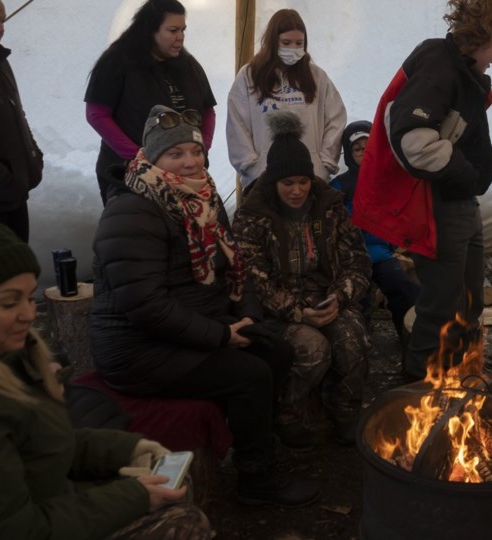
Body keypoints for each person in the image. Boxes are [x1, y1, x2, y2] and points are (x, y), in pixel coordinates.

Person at [90, 105, 319, 506]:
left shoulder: (202, 198)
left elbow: (235, 266)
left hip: (192, 323)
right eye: (176, 154)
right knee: (250, 375)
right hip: (136, 348)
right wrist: (221, 336)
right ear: (152, 157)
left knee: (276, 349)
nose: (190, 161)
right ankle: (255, 477)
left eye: (194, 152)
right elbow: (144, 304)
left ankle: (254, 438)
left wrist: (247, 316)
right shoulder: (132, 209)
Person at [0, 219, 211, 539]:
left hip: (55, 500)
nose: (29, 314)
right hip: (40, 522)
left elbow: (46, 447)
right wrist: (134, 497)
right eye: (10, 302)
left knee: (173, 482)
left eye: (29, 297)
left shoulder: (11, 360)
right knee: (182, 521)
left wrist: (131, 448)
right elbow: (16, 529)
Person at [352, 0, 492, 379]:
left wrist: (471, 181)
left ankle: (461, 374)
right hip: (440, 206)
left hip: (461, 203)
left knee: (469, 301)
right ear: (482, 38)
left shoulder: (460, 70)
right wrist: (465, 173)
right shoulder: (439, 65)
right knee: (441, 306)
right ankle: (417, 396)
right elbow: (414, 140)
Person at [234, 111, 371, 445]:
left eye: (303, 182)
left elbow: (357, 258)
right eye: (288, 183)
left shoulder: (329, 205)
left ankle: (345, 411)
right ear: (273, 182)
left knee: (354, 341)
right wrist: (298, 312)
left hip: (327, 297)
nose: (297, 191)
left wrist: (341, 296)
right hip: (279, 308)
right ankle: (287, 413)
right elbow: (253, 279)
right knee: (313, 349)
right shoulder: (254, 215)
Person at [85, 0, 216, 205]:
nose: (180, 37)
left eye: (183, 30)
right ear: (150, 31)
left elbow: (208, 110)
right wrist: (140, 157)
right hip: (129, 174)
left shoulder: (188, 64)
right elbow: (97, 114)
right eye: (173, 30)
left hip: (185, 174)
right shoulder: (118, 60)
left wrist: (201, 147)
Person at [227, 8, 346, 188]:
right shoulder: (249, 75)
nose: (293, 49)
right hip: (263, 178)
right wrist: (251, 166)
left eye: (299, 43)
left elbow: (335, 118)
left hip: (310, 178)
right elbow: (237, 124)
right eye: (286, 42)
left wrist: (324, 163)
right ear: (272, 42)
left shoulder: (317, 76)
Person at [331, 120, 421, 343]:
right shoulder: (339, 186)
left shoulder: (387, 179)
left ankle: (411, 340)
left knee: (403, 289)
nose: (363, 153)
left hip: (381, 253)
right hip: (351, 258)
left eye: (368, 146)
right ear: (349, 153)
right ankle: (359, 341)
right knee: (354, 300)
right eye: (357, 149)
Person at [0, 0, 43, 241]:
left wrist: (34, 156)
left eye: (3, 21)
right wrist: (2, 179)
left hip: (15, 192)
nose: (1, 28)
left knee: (21, 271)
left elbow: (16, 112)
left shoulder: (0, 61)